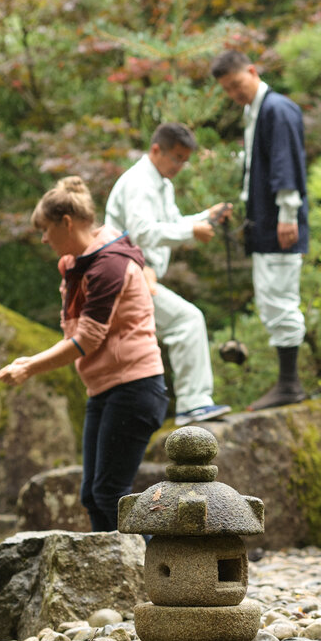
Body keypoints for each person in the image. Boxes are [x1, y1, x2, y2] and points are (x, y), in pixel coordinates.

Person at [0, 176, 168, 531]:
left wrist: (29, 366)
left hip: (135, 387)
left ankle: (158, 574)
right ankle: (117, 578)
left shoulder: (109, 264)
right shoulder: (83, 264)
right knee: (93, 495)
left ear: (67, 223)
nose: (43, 239)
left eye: (45, 229)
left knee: (109, 493)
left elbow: (86, 340)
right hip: (105, 388)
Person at [105, 123, 233, 426]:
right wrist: (192, 230)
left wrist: (206, 217)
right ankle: (192, 404)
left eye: (184, 160)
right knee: (186, 320)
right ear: (156, 150)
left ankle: (188, 404)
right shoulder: (138, 182)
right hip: (125, 276)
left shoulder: (162, 184)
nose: (179, 166)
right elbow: (144, 232)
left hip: (140, 276)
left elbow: (172, 222)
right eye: (176, 158)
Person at [211, 50, 309, 412]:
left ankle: (290, 384)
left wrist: (287, 214)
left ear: (252, 72)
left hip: (280, 222)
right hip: (264, 221)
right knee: (270, 297)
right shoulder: (255, 111)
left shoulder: (276, 109)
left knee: (280, 297)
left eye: (237, 84)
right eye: (228, 89)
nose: (235, 93)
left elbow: (286, 163)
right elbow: (258, 166)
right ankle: (288, 382)